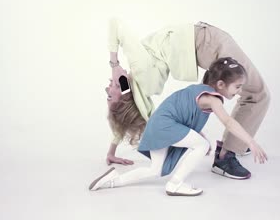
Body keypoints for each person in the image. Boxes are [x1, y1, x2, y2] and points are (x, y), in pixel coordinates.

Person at [106, 18, 270, 179]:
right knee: (257, 93)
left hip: (198, 45)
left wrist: (111, 151)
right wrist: (114, 64)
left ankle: (234, 144)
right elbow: (116, 23)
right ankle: (227, 154)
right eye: (109, 95)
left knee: (209, 97)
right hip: (203, 42)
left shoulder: (136, 91)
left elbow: (124, 110)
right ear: (123, 98)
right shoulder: (139, 70)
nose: (107, 86)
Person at [92, 58, 268, 196]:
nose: (238, 92)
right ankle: (175, 184)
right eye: (237, 87)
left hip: (158, 125)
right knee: (202, 145)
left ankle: (113, 180)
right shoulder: (212, 98)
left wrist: (199, 135)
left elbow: (186, 114)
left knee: (155, 170)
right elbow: (228, 122)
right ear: (220, 84)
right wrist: (250, 142)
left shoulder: (199, 90)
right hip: (164, 125)